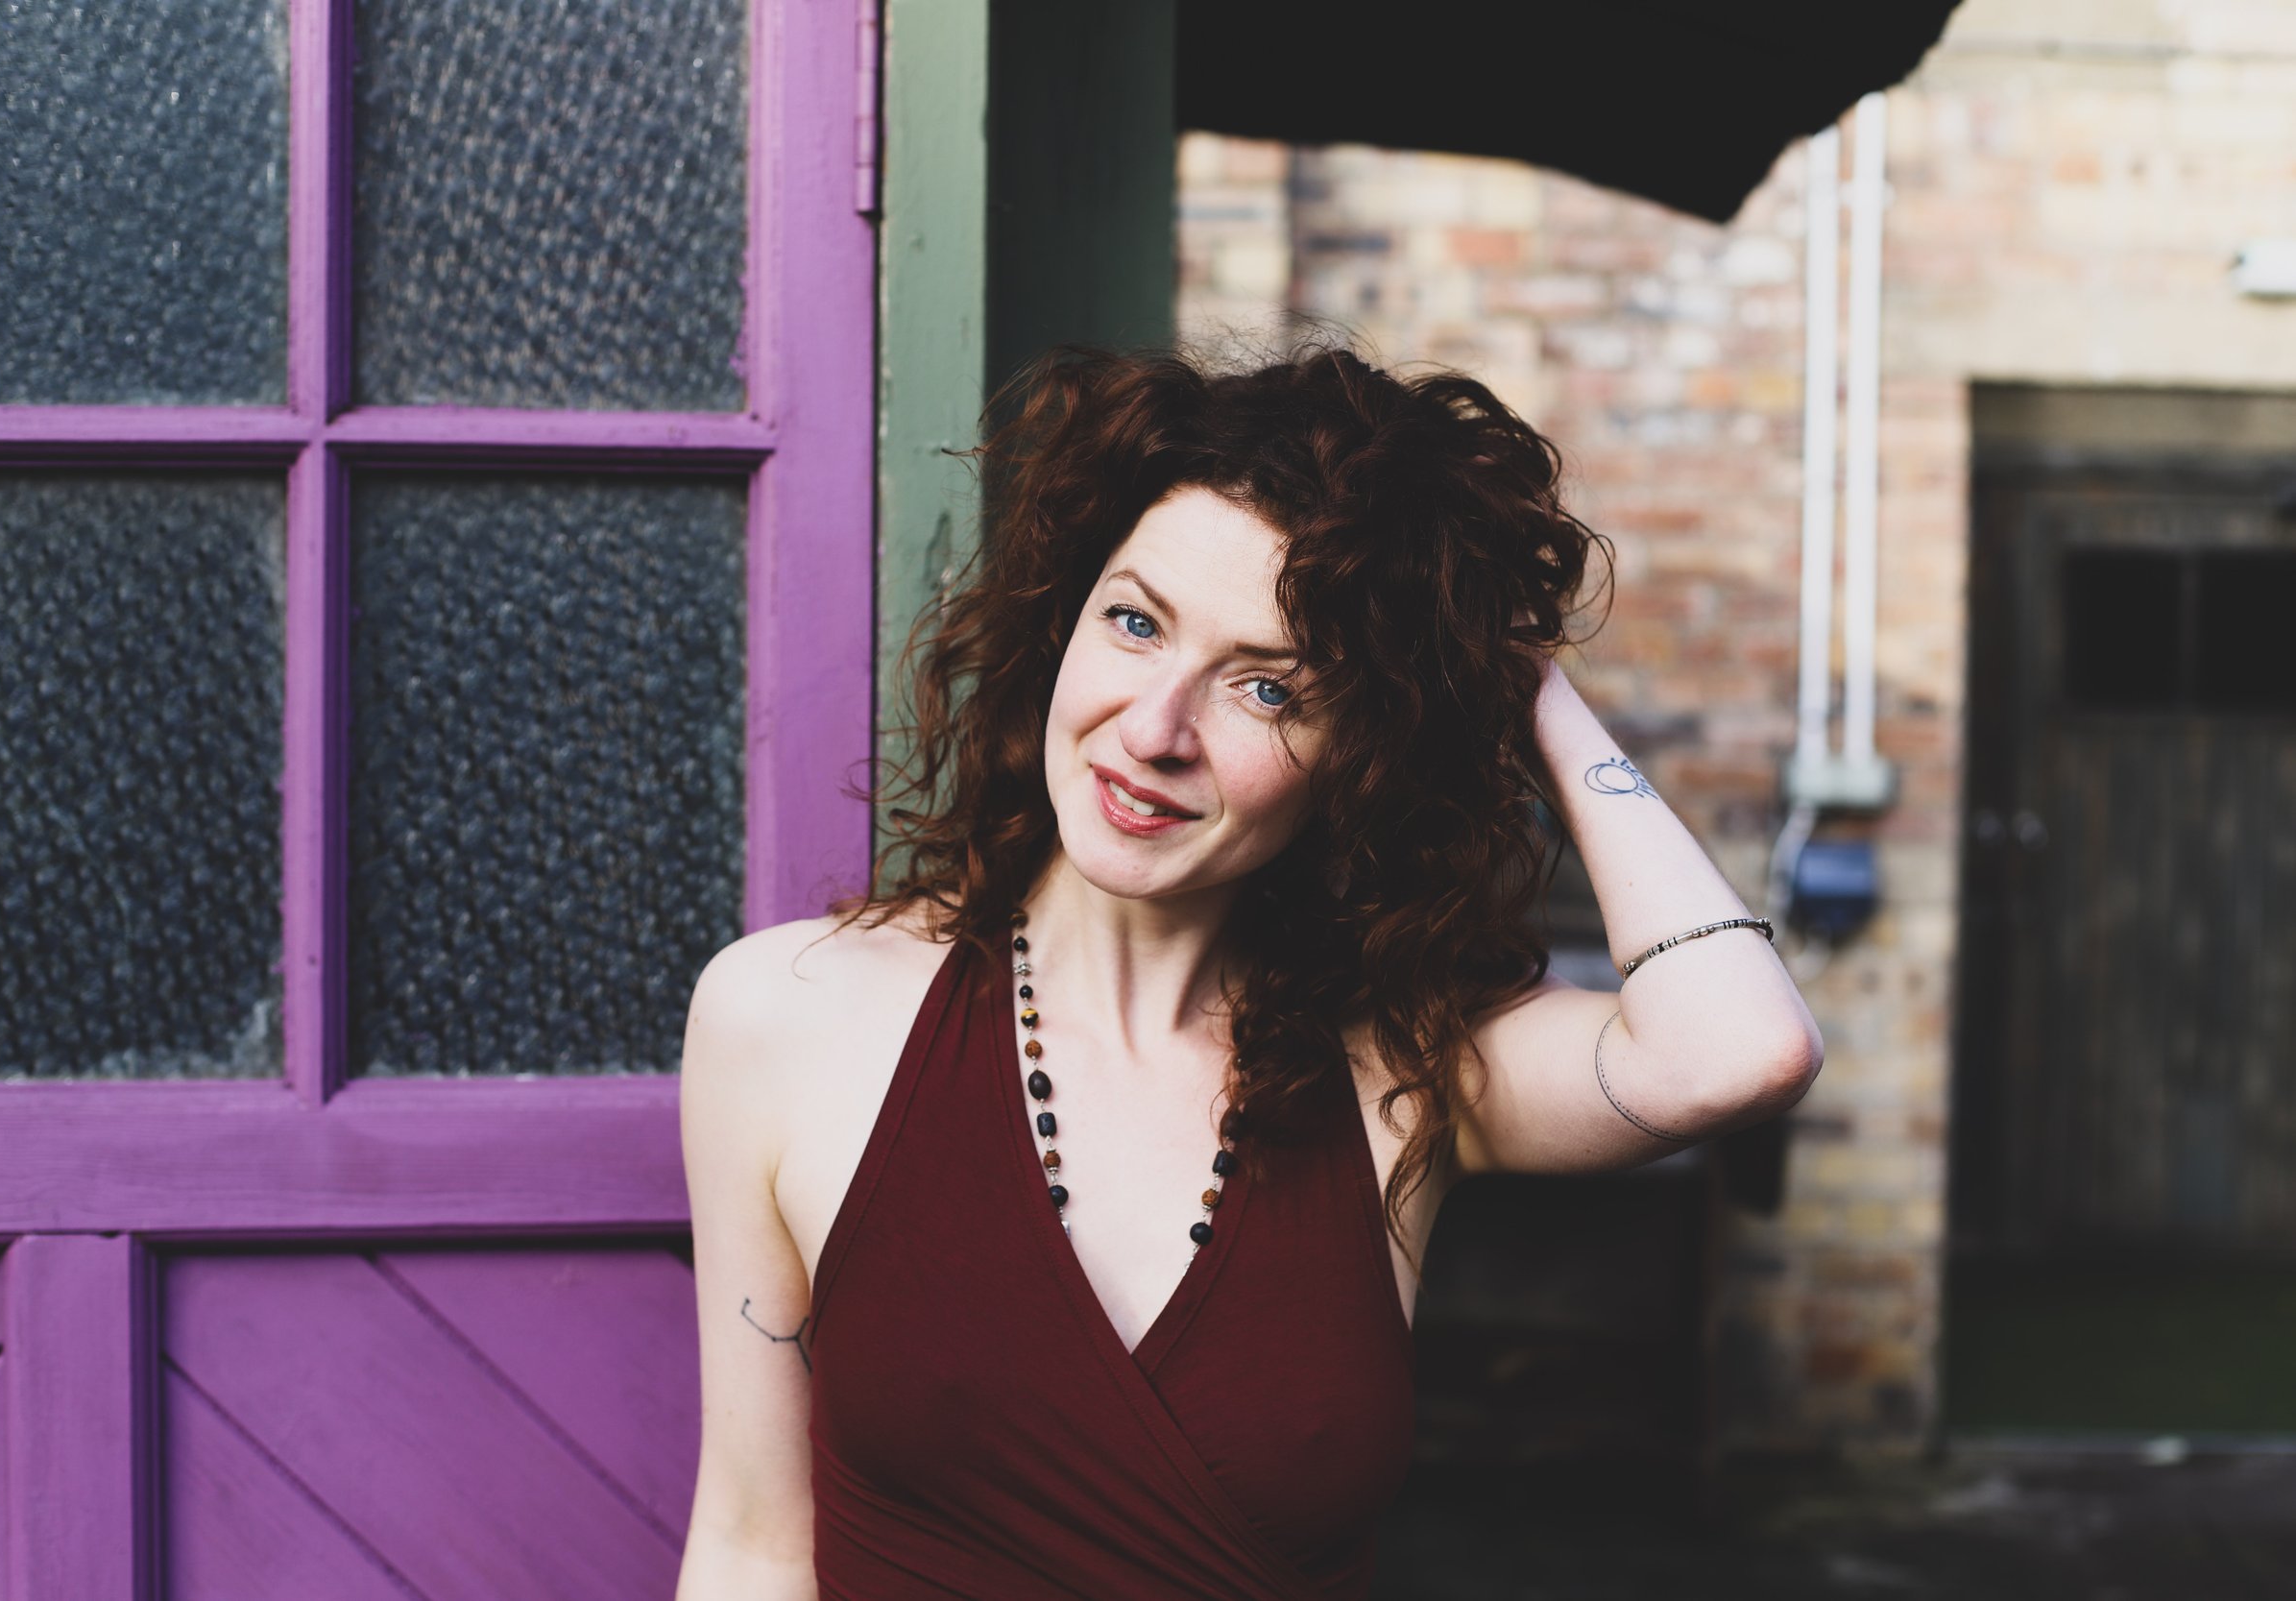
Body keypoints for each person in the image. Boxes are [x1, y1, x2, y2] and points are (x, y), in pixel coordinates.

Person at [674, 342, 1824, 1600]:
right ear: (1064, 619)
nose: (1154, 730)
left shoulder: (1402, 1067)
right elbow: (752, 1544)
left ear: (1366, 751)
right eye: (1135, 623)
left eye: (1269, 688)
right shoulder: (786, 1018)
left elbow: (1738, 1051)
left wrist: (1520, 680)